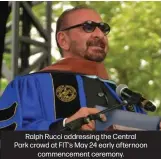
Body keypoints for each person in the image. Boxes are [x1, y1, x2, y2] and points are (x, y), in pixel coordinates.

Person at [0, 6, 150, 131]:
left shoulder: (124, 97)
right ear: (63, 40)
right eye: (88, 27)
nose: (99, 34)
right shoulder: (29, 86)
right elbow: (7, 141)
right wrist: (64, 126)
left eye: (103, 28)